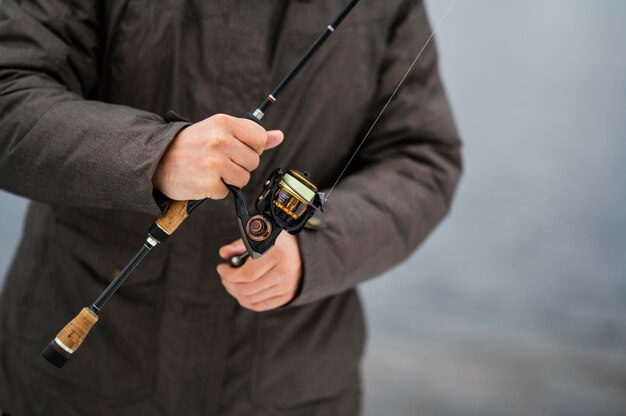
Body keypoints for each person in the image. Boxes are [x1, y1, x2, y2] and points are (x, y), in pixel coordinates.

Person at [0, 0, 461, 414]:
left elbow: (421, 159)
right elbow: (11, 94)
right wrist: (157, 154)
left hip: (296, 391)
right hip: (77, 387)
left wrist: (313, 246)